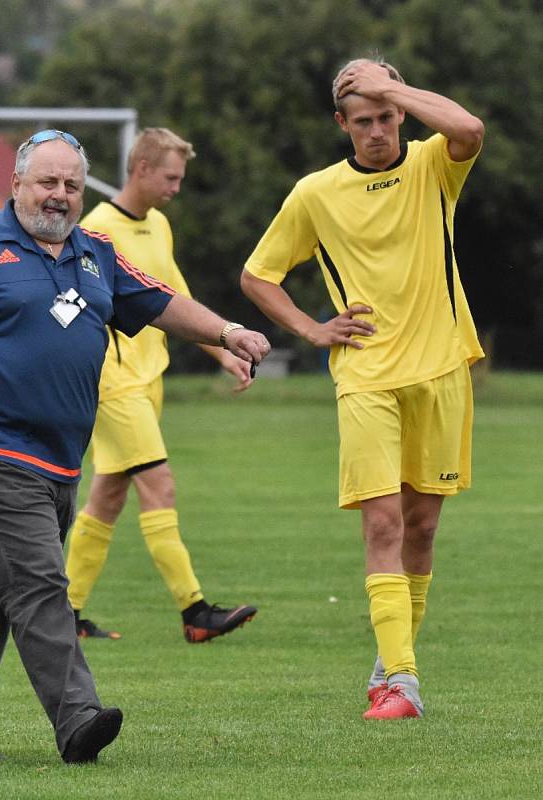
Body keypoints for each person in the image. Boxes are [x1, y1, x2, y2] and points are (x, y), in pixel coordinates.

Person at [0, 129, 270, 763]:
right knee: (37, 582)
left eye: (71, 186)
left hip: (60, 457)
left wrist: (228, 331)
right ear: (17, 185)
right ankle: (77, 716)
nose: (59, 196)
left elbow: (164, 303)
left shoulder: (97, 253)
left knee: (0, 588)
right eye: (47, 183)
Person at [241, 58, 484, 720]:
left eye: (384, 115)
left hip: (439, 372)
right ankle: (403, 682)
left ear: (399, 111)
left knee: (421, 526)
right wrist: (311, 330)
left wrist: (387, 84)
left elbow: (467, 126)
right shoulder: (315, 193)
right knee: (380, 521)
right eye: (362, 118)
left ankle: (387, 662)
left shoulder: (434, 165)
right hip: (365, 377)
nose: (375, 128)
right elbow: (258, 275)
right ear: (340, 123)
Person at [65, 128, 258, 644]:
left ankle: (66, 612)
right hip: (113, 382)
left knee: (107, 498)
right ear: (142, 169)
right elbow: (72, 307)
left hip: (149, 383)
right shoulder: (97, 229)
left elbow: (175, 300)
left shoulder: (160, 226)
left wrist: (225, 352)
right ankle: (195, 611)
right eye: (171, 177)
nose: (176, 187)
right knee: (161, 484)